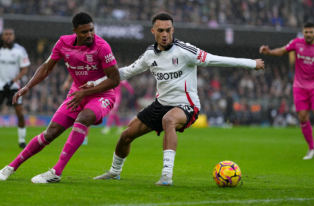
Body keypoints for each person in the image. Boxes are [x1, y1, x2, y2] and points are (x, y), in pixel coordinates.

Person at [89, 12, 265, 186]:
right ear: (153, 31)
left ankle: (166, 175)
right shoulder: (150, 54)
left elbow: (217, 60)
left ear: (173, 30)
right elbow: (125, 72)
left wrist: (251, 63)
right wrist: (95, 82)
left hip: (186, 105)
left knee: (169, 120)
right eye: (160, 30)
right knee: (126, 136)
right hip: (161, 104)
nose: (164, 34)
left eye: (168, 30)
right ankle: (114, 171)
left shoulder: (186, 51)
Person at [0, 12, 120, 183]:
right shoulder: (63, 43)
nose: (89, 34)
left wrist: (85, 92)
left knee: (83, 119)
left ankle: (56, 172)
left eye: (92, 30)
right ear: (74, 31)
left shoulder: (102, 47)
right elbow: (46, 68)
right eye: (84, 32)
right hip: (77, 94)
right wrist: (27, 86)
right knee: (50, 133)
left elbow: (114, 79)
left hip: (101, 95)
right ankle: (11, 166)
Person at [259, 22, 314, 160]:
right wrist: (269, 52)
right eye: (306, 32)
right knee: (302, 117)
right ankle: (311, 148)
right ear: (303, 32)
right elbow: (283, 51)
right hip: (299, 86)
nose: (308, 34)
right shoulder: (297, 43)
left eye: (311, 32)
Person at [62, 75, 89, 145]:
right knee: (74, 112)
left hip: (89, 90)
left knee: (86, 114)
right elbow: (73, 71)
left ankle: (84, 137)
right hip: (76, 89)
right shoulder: (78, 66)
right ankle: (76, 135)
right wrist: (67, 82)